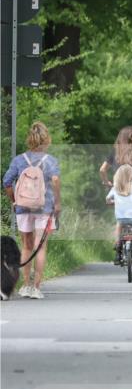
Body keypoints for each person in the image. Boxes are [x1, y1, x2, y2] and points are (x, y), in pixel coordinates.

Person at [3, 122, 61, 299]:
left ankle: (26, 285)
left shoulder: (19, 160)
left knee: (26, 246)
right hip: (44, 208)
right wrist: (57, 202)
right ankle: (36, 287)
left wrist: (15, 200)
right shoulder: (50, 161)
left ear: (29, 139)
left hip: (23, 208)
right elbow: (56, 180)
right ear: (47, 139)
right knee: (40, 247)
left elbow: (6, 182)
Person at [99, 125, 132, 260]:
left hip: (119, 186)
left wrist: (107, 183)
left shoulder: (115, 151)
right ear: (131, 138)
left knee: (120, 217)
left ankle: (118, 249)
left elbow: (102, 170)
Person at [106, 165, 132, 270]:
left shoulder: (115, 188)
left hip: (121, 217)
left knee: (118, 226)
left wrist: (111, 202)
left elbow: (107, 199)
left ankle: (118, 246)